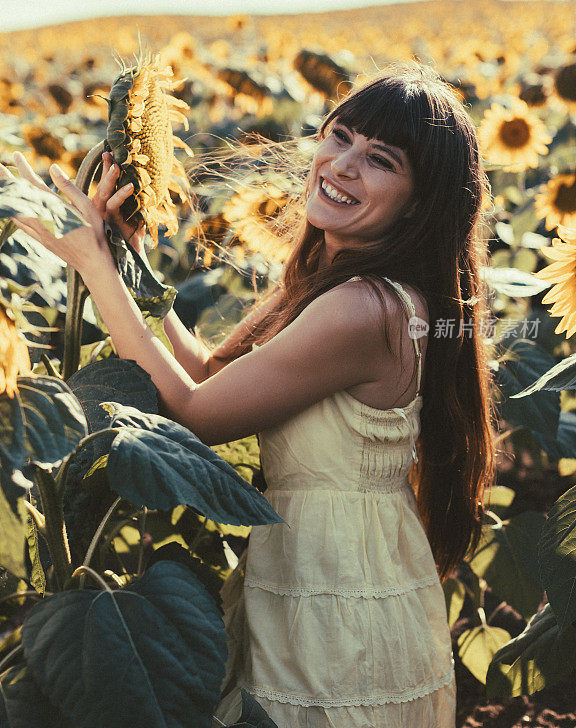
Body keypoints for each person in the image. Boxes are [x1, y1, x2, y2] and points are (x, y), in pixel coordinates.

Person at [4, 60, 496, 728]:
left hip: (337, 591)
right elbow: (210, 378)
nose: (343, 164)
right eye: (340, 136)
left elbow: (193, 415)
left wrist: (95, 270)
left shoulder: (365, 308)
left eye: (380, 159)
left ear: (421, 201)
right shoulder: (337, 282)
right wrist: (129, 263)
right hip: (321, 568)